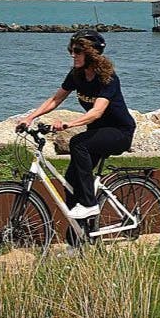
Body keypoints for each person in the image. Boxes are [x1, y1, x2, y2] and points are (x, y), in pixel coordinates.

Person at [14, 29, 136, 219]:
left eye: (78, 51)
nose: (73, 55)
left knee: (78, 143)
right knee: (71, 181)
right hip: (97, 133)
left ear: (91, 53)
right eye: (71, 50)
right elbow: (56, 99)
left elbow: (97, 112)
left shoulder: (108, 78)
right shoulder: (76, 74)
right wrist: (30, 117)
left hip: (119, 132)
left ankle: (90, 204)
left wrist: (68, 124)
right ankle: (77, 242)